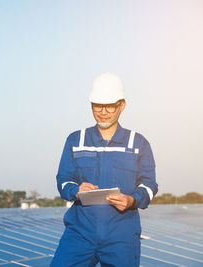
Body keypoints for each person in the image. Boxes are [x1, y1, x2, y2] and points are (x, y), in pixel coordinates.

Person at [50, 73, 158, 267]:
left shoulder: (138, 143)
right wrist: (76, 190)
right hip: (80, 234)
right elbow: (63, 179)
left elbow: (149, 184)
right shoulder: (76, 140)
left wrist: (132, 199)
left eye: (110, 105)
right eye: (97, 105)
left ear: (122, 105)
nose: (103, 112)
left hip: (122, 236)